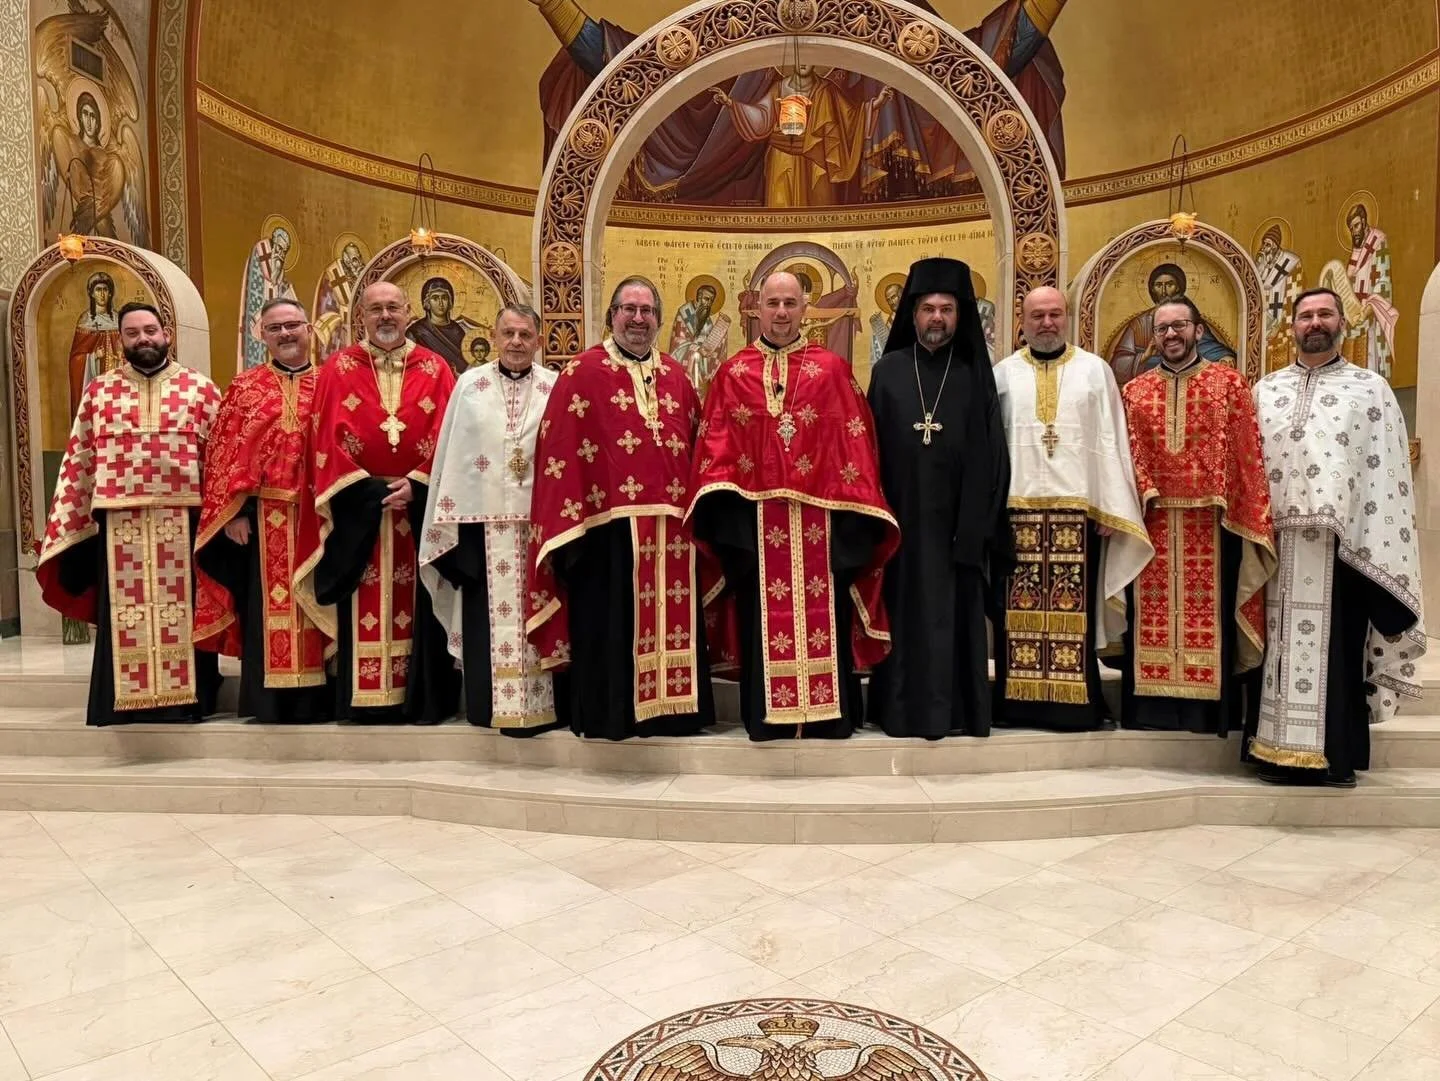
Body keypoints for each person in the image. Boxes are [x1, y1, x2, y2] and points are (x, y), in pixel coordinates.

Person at [688, 271, 898, 740]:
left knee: (829, 619)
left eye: (790, 303)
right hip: (755, 533)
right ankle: (767, 719)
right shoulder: (733, 373)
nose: (781, 313)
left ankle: (829, 716)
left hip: (824, 532)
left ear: (805, 308)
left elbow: (857, 449)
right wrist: (734, 534)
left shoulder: (831, 371)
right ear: (755, 309)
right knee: (761, 623)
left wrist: (851, 532)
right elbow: (714, 456)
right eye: (772, 303)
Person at [526, 277, 717, 740]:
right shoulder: (582, 372)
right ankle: (613, 714)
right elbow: (557, 452)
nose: (637, 319)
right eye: (628, 310)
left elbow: (697, 446)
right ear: (612, 316)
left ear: (659, 318)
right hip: (605, 530)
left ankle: (675, 714)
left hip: (672, 531)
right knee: (611, 624)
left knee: (674, 622)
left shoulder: (676, 375)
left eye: (647, 311)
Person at [1249, 288, 1425, 787]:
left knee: (1338, 653)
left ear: (1341, 322)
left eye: (1324, 313)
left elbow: (1386, 474)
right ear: (1293, 325)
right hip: (1276, 548)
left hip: (1343, 547)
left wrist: (1369, 538)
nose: (1314, 322)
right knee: (1275, 652)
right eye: (1305, 315)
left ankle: (1334, 756)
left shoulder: (1370, 390)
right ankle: (1271, 752)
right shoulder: (1266, 390)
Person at [36, 302, 223, 726]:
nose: (144, 339)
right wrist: (69, 519)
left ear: (167, 334)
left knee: (184, 612)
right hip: (119, 523)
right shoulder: (99, 391)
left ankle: (188, 702)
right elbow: (80, 457)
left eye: (151, 331)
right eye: (133, 333)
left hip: (184, 520)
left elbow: (220, 458)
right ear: (121, 340)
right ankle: (121, 701)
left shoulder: (200, 389)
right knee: (125, 614)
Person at [293, 281, 459, 723]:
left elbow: (448, 436)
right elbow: (324, 440)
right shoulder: (338, 368)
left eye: (393, 308)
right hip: (358, 510)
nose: (385, 316)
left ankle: (419, 700)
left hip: (417, 510)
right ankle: (366, 700)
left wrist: (419, 484)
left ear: (408, 313)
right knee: (361, 596)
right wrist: (367, 492)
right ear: (360, 317)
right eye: (375, 309)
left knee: (421, 595)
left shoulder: (437, 368)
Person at [992, 287, 1152, 731]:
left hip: (1078, 516)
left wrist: (1109, 505)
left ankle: (1076, 707)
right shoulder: (1002, 374)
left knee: (1072, 618)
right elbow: (992, 449)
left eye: (1055, 314)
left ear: (1068, 318)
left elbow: (1110, 441)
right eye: (1037, 315)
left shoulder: (1094, 371)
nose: (1047, 323)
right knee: (1017, 617)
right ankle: (1018, 705)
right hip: (1017, 514)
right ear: (1021, 321)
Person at [865, 258, 1010, 739]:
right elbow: (865, 451)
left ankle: (957, 714)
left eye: (947, 309)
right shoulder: (887, 372)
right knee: (903, 618)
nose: (937, 318)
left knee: (953, 619)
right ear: (912, 314)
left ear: (960, 315)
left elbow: (993, 455)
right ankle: (898, 712)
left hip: (956, 528)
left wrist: (978, 523)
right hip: (900, 526)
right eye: (928, 308)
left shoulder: (974, 373)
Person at [1119, 295, 1275, 735]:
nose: (1171, 334)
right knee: (1149, 621)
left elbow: (1247, 456)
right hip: (1152, 525)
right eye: (1163, 328)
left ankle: (1209, 717)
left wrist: (1246, 511)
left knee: (1213, 618)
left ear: (1199, 330)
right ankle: (1152, 713)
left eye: (1179, 325)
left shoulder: (1230, 384)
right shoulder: (1134, 391)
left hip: (1214, 524)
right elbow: (1125, 456)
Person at [419, 304, 565, 736]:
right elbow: (452, 457)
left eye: (525, 335)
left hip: (538, 528)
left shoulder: (554, 387)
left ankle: (547, 707)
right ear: (495, 335)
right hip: (482, 528)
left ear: (538, 339)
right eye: (509, 334)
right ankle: (488, 707)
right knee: (487, 619)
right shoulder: (470, 385)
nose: (516, 343)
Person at [193, 299, 331, 723]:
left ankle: (319, 698)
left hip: (319, 516)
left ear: (309, 329)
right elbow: (222, 452)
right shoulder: (245, 387)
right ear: (262, 335)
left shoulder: (331, 382)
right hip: (262, 515)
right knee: (262, 606)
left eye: (292, 325)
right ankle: (267, 702)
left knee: (320, 600)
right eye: (275, 328)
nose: (286, 334)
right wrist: (232, 512)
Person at [1108, 263, 1235, 385]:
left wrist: (1225, 357)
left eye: (1169, 285)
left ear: (1179, 287)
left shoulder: (1191, 318)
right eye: (1158, 285)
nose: (1163, 291)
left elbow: (1207, 346)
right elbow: (1117, 365)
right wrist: (1144, 357)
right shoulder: (1140, 324)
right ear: (1152, 289)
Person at [67, 270, 123, 415]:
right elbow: (75, 359)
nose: (102, 294)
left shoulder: (118, 320)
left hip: (116, 382)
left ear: (110, 293)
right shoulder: (85, 321)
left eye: (105, 290)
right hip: (95, 383)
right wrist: (93, 357)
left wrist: (122, 358)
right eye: (98, 290)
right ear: (91, 293)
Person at [405, 276, 480, 376]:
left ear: (450, 302)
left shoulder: (458, 331)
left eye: (444, 298)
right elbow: (410, 367)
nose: (440, 303)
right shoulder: (416, 332)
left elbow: (466, 362)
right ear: (427, 302)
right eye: (435, 298)